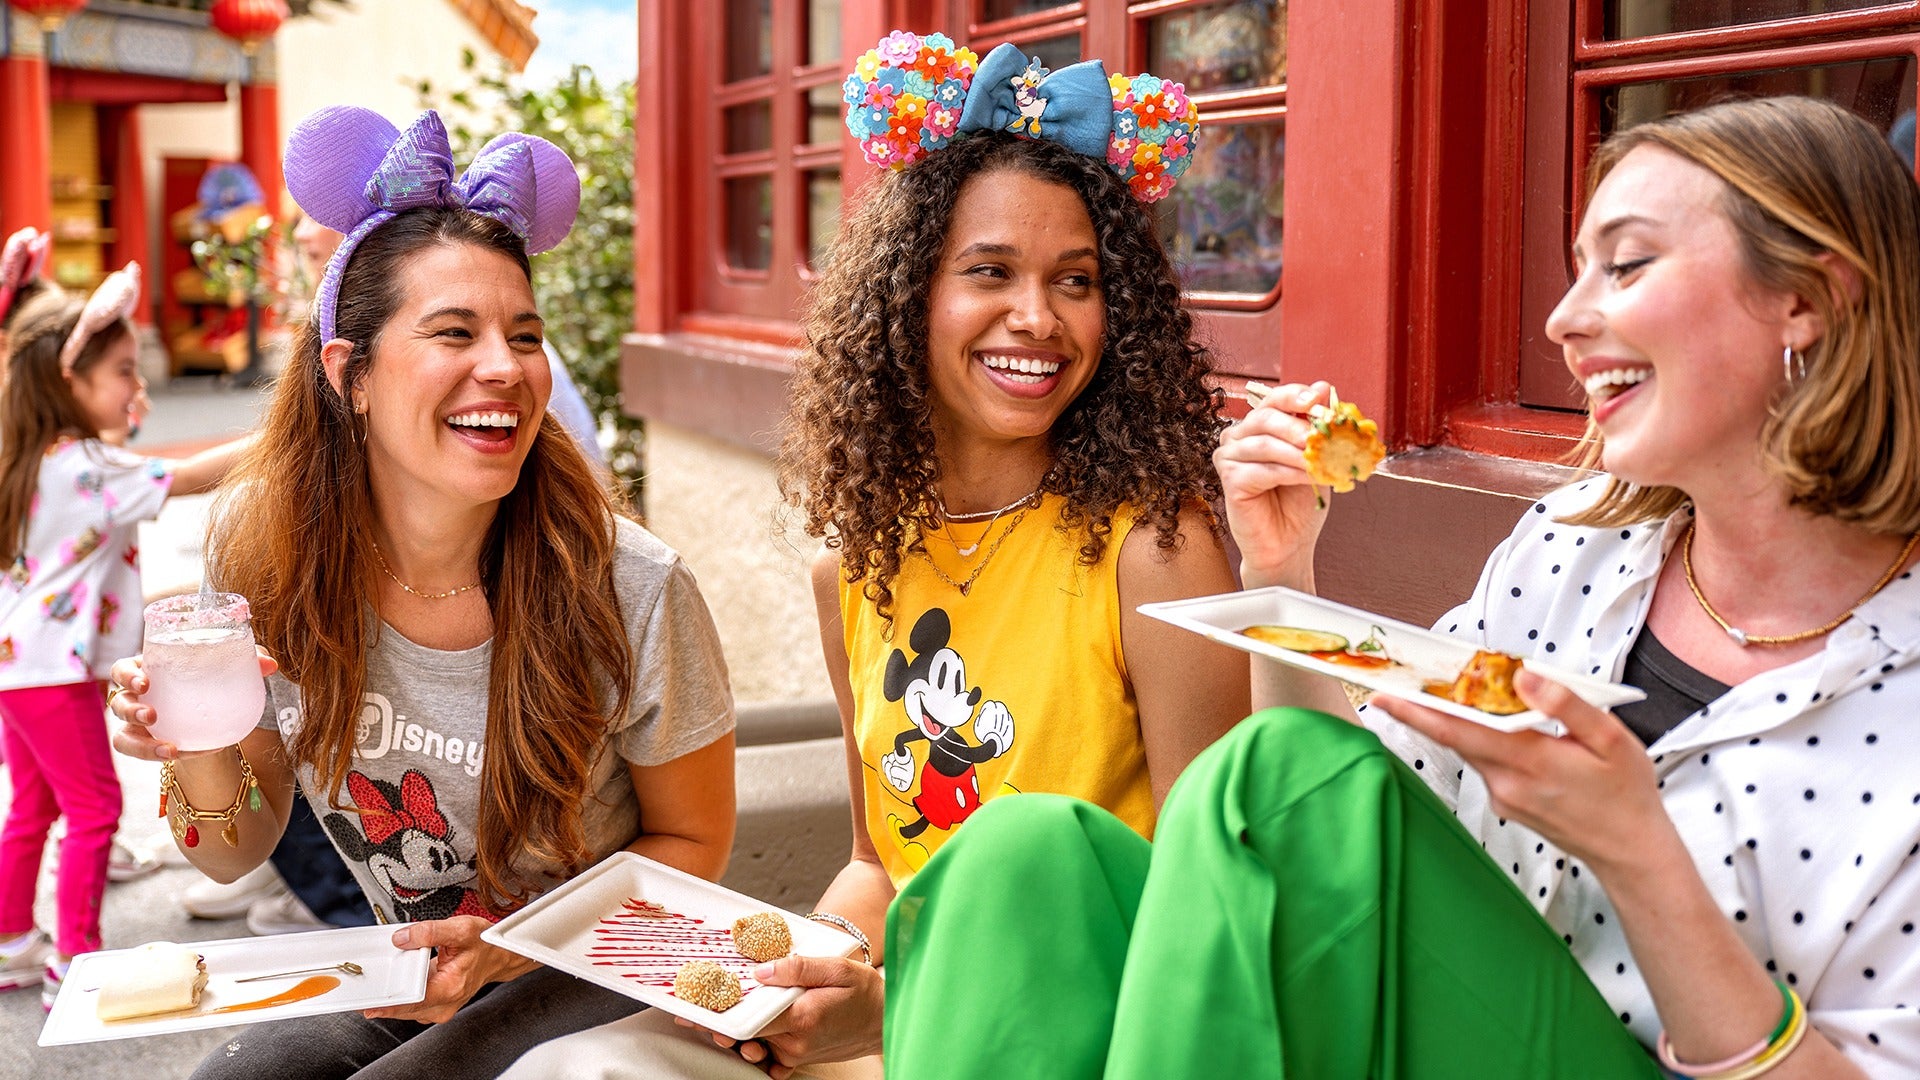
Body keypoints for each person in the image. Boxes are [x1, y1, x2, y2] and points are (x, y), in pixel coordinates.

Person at [880, 95, 1920, 1079]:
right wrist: (1280, 569)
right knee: (1026, 854)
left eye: (1628, 265)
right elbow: (1330, 826)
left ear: (1807, 300)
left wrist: (1637, 851)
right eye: (1576, 272)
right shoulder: (1571, 554)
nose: (1563, 320)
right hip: (1439, 1032)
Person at [502, 32, 1249, 1080]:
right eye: (988, 271)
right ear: (906, 301)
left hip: (1073, 1036)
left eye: (1076, 281)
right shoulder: (855, 568)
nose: (1037, 318)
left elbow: (1201, 909)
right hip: (894, 1024)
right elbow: (876, 861)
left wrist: (891, 1014)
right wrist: (810, 976)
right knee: (573, 1070)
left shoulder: (1153, 551)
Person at [107, 105, 738, 1079]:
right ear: (348, 374)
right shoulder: (265, 550)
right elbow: (231, 855)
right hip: (411, 983)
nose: (506, 367)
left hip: (596, 982)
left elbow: (696, 842)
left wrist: (511, 942)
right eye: (455, 332)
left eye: (524, 335)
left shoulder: (632, 584)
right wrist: (198, 743)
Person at [0, 269, 250, 1007]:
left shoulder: (32, 457)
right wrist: (288, 434)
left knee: (33, 807)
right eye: (123, 373)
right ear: (67, 380)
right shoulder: (86, 467)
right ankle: (75, 958)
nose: (135, 386)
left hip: (18, 667)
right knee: (96, 807)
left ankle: (13, 939)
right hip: (58, 672)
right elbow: (191, 475)